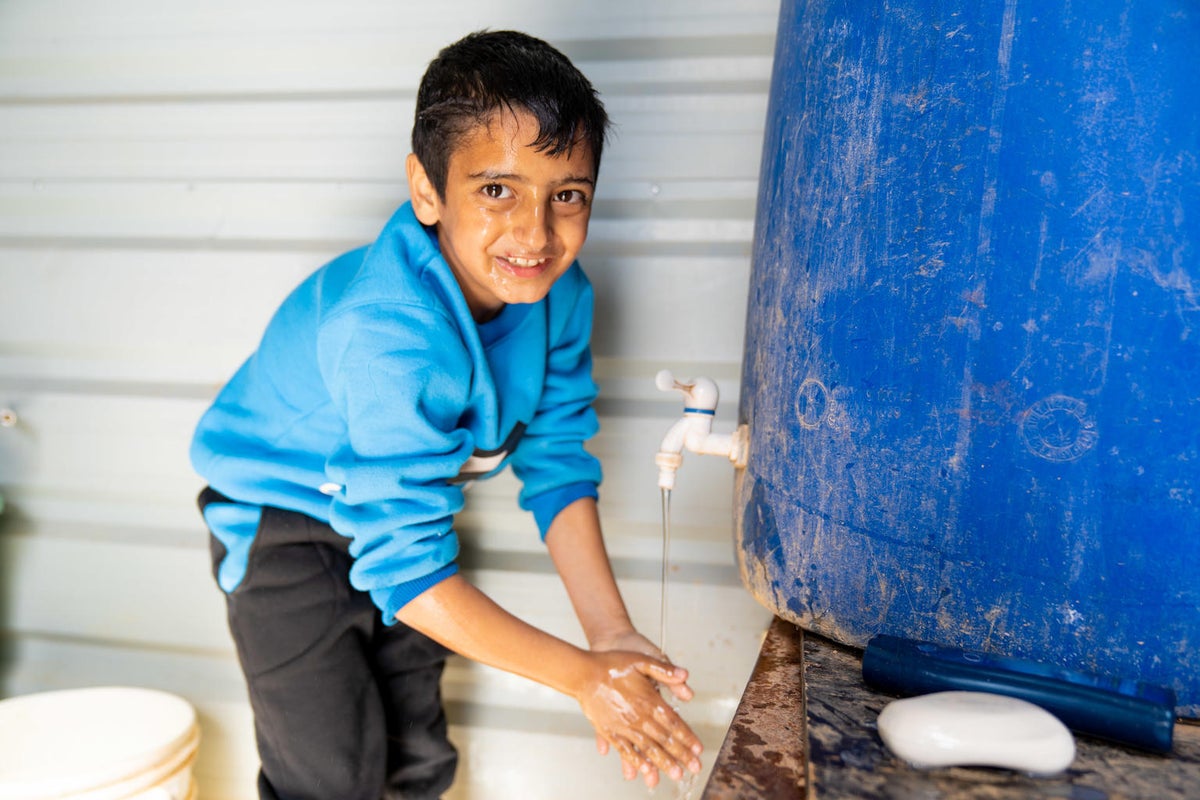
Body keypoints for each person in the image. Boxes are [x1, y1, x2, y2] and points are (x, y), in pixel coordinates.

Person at [190, 29, 702, 800]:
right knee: (330, 775)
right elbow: (409, 571)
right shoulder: (390, 333)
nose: (535, 234)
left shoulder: (561, 297)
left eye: (567, 195)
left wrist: (610, 636)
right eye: (497, 190)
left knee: (420, 756)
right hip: (286, 524)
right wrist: (582, 679)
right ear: (427, 191)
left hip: (400, 517)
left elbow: (557, 459)